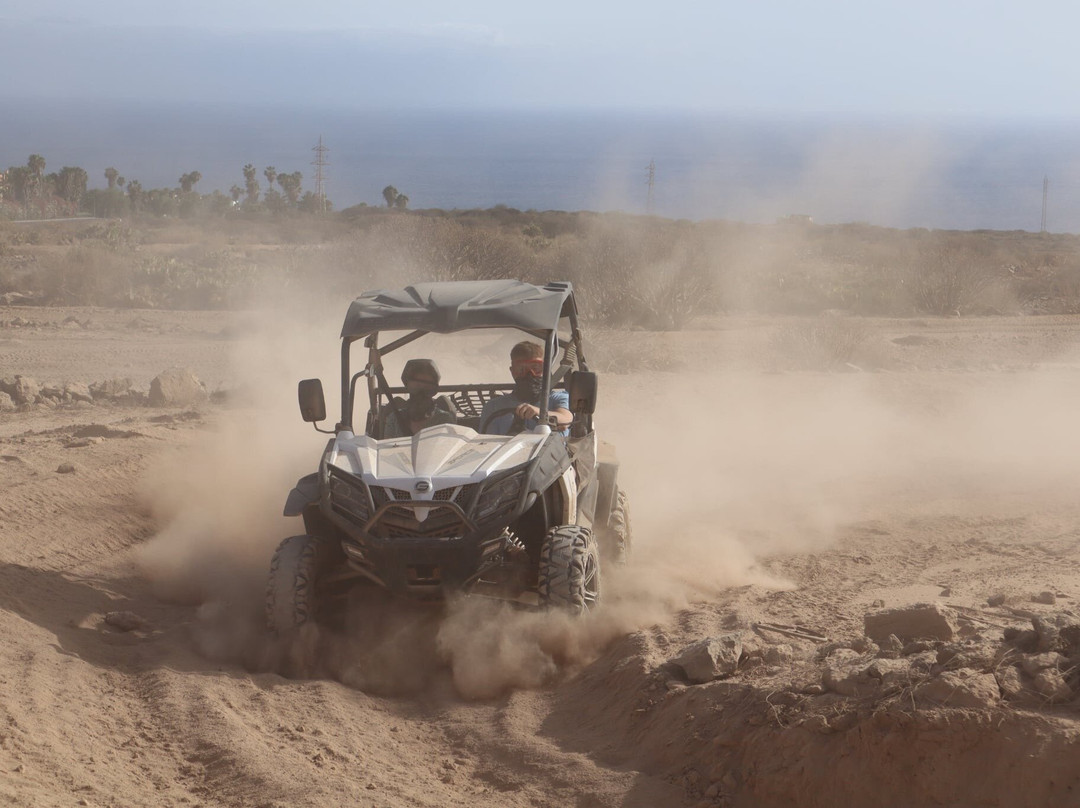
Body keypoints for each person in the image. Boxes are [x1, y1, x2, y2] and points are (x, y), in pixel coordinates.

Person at [480, 341, 573, 435]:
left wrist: (540, 413)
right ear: (512, 372)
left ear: (545, 369)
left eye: (535, 368)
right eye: (521, 369)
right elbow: (484, 444)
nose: (529, 375)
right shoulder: (493, 406)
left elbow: (566, 419)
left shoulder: (557, 398)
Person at [380, 358, 457, 438]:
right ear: (408, 386)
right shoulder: (394, 419)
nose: (421, 393)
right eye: (416, 386)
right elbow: (386, 447)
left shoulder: (443, 421)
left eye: (427, 387)